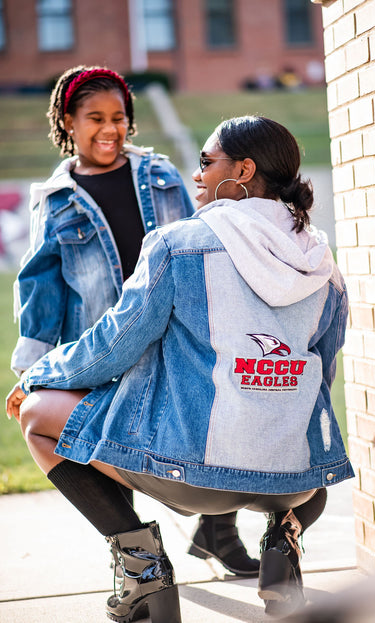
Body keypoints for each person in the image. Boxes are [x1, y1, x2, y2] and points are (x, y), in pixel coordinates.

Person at [7, 115, 354, 622]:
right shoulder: (323, 261)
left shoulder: (180, 244)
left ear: (244, 170)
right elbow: (322, 377)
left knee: (37, 414)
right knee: (300, 443)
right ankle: (285, 545)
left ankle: (145, 575)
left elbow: (112, 348)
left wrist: (41, 374)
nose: (196, 174)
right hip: (295, 486)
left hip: (194, 477)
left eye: (206, 162)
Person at [10, 65, 258, 577]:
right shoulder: (55, 201)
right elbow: (42, 292)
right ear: (68, 122)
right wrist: (31, 371)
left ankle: (218, 530)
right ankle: (141, 563)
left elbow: (202, 237)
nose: (109, 128)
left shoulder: (161, 173)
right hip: (102, 349)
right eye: (94, 118)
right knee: (112, 456)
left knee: (214, 426)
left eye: (119, 117)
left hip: (177, 338)